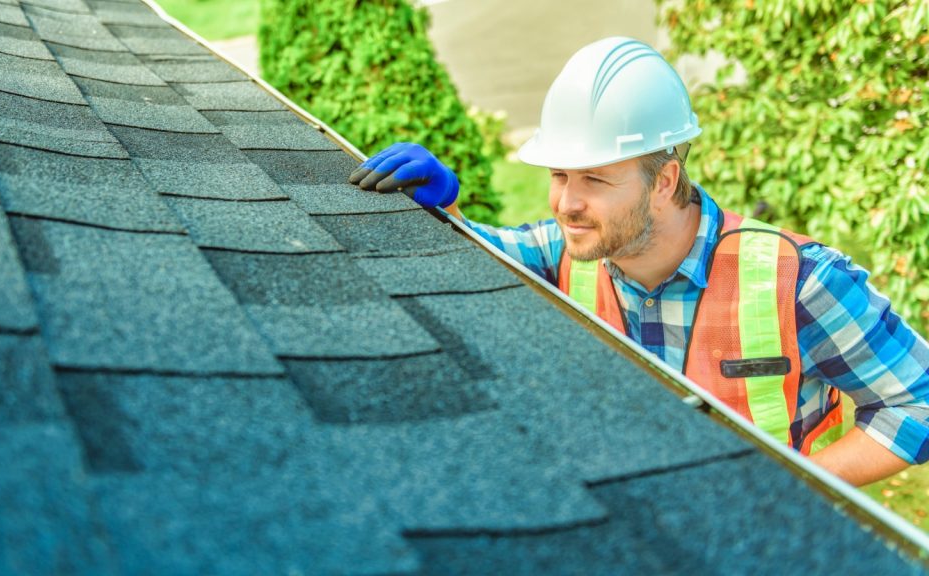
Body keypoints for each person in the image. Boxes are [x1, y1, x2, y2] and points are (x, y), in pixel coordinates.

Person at [347, 37, 929, 486]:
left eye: (595, 179)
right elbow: (469, 259)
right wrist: (446, 209)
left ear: (664, 180)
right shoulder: (565, 254)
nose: (567, 204)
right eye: (558, 175)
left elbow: (917, 403)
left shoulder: (800, 281)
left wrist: (797, 490)